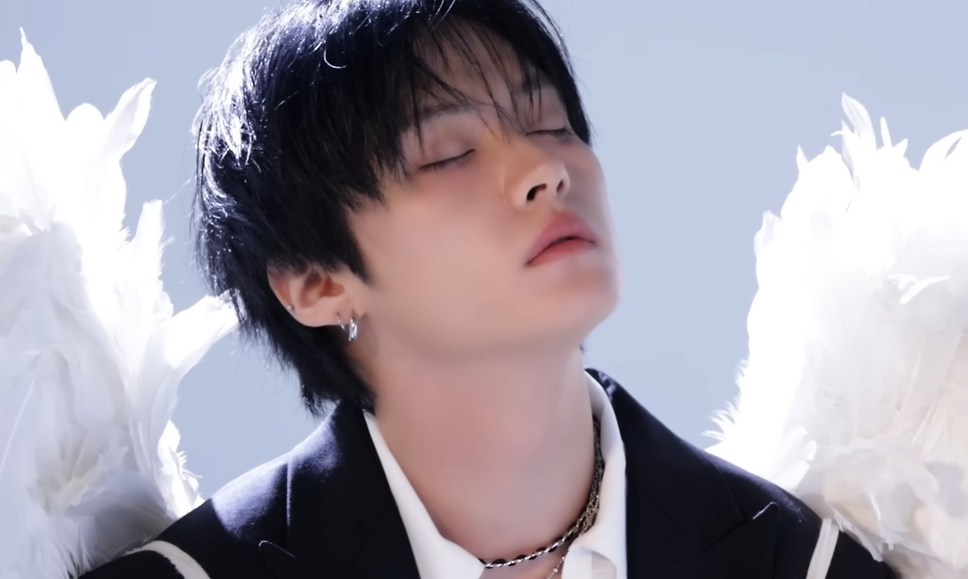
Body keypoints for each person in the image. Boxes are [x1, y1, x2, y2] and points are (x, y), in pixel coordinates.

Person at [82, 0, 895, 577]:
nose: (545, 168)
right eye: (449, 154)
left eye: (551, 124)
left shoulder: (799, 561)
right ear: (317, 280)